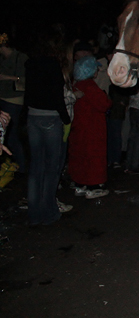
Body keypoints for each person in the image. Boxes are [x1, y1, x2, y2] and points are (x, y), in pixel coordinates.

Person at [25, 31, 72, 225]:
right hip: (50, 117)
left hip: (32, 116)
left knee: (36, 167)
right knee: (52, 168)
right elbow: (57, 96)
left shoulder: (30, 63)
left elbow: (28, 92)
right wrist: (66, 119)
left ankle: (34, 214)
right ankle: (48, 212)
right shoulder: (52, 65)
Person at [68, 56, 112, 199]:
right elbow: (104, 104)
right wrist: (107, 98)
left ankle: (80, 183)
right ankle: (94, 186)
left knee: (79, 155)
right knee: (94, 156)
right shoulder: (90, 87)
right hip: (93, 129)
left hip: (78, 127)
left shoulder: (76, 85)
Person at [0, 33, 28, 172]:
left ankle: (21, 166)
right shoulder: (1, 58)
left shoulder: (21, 58)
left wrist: (7, 77)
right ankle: (11, 164)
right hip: (2, 97)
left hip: (14, 99)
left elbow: (27, 79)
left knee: (11, 135)